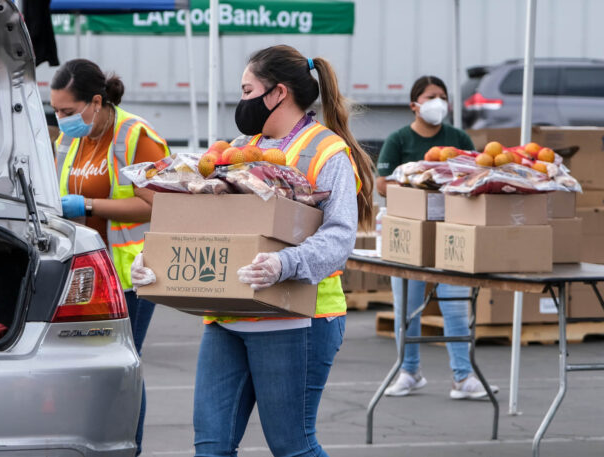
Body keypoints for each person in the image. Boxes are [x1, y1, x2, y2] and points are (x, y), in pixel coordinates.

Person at [131, 45, 375, 456]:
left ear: (278, 92)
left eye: (247, 89)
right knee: (211, 446)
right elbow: (211, 221)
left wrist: (285, 263)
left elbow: (339, 236)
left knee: (292, 446)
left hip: (299, 316)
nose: (240, 100)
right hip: (230, 313)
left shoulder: (327, 150)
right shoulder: (241, 148)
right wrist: (155, 259)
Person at [50, 59, 169, 455]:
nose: (60, 118)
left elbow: (161, 205)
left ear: (96, 102)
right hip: (85, 273)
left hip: (132, 273)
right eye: (56, 110)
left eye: (67, 111)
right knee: (89, 371)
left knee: (123, 368)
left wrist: (89, 204)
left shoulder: (135, 135)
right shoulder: (69, 139)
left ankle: (128, 447)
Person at [376, 75, 498, 399]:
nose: (438, 103)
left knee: (456, 306)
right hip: (412, 234)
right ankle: (409, 370)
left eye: (443, 96)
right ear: (414, 104)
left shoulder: (457, 137)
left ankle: (463, 376)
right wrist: (418, 186)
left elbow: (475, 175)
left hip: (451, 231)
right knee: (408, 307)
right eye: (431, 96)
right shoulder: (399, 139)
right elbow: (382, 183)